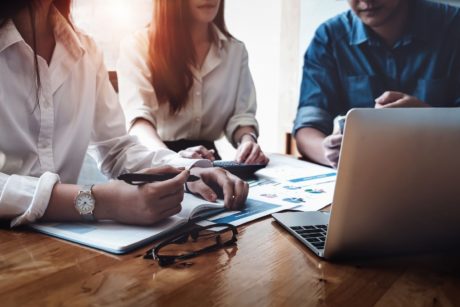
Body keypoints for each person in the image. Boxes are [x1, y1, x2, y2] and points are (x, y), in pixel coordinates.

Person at [0, 0, 248, 228]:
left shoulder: (85, 49)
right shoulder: (136, 44)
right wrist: (103, 201)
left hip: (63, 243)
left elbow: (117, 148)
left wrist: (187, 170)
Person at [293, 0, 460, 168]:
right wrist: (330, 153)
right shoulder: (329, 37)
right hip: (363, 173)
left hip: (445, 170)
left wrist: (429, 120)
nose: (366, 1)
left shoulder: (454, 27)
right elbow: (308, 125)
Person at [117, 0, 268, 164]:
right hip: (155, 157)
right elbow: (138, 122)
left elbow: (241, 116)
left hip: (207, 159)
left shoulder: (235, 52)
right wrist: (173, 161)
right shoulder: (138, 45)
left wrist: (248, 140)